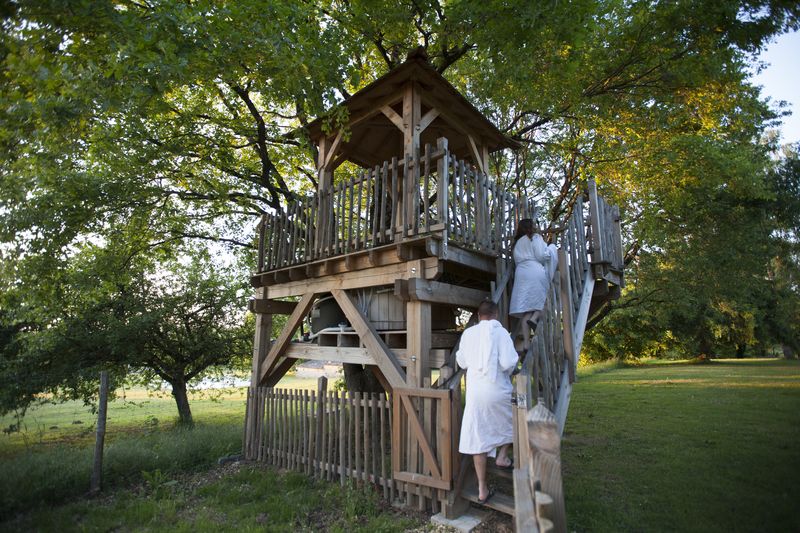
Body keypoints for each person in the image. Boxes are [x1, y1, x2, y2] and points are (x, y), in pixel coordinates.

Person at [456, 300, 518, 504]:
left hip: (475, 393)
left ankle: (482, 489)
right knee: (513, 420)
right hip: (497, 389)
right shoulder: (501, 333)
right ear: (496, 314)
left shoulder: (468, 334)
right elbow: (509, 362)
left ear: (478, 315)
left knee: (478, 436)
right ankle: (502, 455)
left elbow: (462, 361)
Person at [509, 218, 558, 349]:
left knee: (526, 309)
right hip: (534, 271)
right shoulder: (535, 237)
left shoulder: (517, 243)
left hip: (521, 274)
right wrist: (552, 249)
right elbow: (541, 256)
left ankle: (526, 343)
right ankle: (535, 317)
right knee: (542, 301)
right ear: (532, 227)